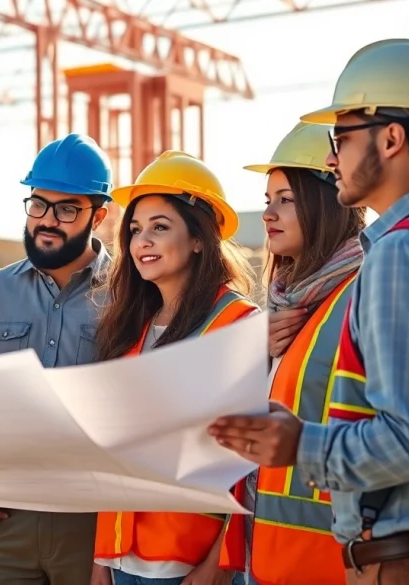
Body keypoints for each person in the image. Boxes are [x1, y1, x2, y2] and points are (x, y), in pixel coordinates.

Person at [208, 38, 409, 584]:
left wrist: (298, 443)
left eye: (341, 138)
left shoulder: (407, 252)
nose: (331, 158)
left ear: (392, 138)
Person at [89, 150, 258, 585]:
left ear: (199, 238)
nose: (142, 241)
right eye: (135, 229)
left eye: (160, 228)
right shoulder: (130, 330)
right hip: (121, 561)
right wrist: (101, 563)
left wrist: (217, 570)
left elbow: (251, 469)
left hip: (191, 565)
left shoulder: (239, 325)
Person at [0, 132, 113, 585]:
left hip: (90, 518)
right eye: (39, 204)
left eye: (67, 209)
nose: (48, 220)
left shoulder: (129, 294)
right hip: (6, 520)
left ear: (97, 216)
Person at [231, 122, 366, 585]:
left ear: (328, 202)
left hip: (332, 562)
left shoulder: (360, 296)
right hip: (267, 557)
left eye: (285, 199)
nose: (268, 213)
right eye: (268, 200)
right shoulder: (284, 306)